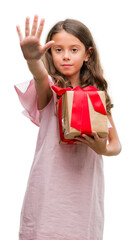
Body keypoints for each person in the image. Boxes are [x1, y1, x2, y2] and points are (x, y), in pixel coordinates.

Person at [15, 15, 121, 240]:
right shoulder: (50, 90)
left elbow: (116, 145)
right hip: (48, 192)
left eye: (74, 49)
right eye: (58, 50)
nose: (65, 56)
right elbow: (40, 77)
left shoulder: (96, 96)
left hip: (84, 195)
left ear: (87, 54)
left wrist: (102, 149)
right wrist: (33, 60)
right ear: (50, 54)